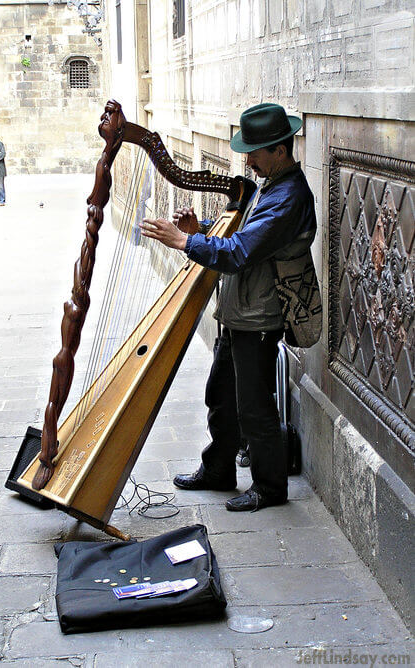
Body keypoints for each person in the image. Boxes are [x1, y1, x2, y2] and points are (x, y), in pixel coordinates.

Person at [140, 102, 317, 512]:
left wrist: (184, 242)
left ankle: (270, 488)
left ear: (280, 150)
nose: (247, 159)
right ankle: (219, 469)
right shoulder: (270, 186)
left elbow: (240, 251)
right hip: (241, 311)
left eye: (255, 152)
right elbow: (243, 234)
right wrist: (198, 230)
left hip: (260, 316)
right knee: (220, 394)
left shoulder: (288, 197)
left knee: (255, 407)